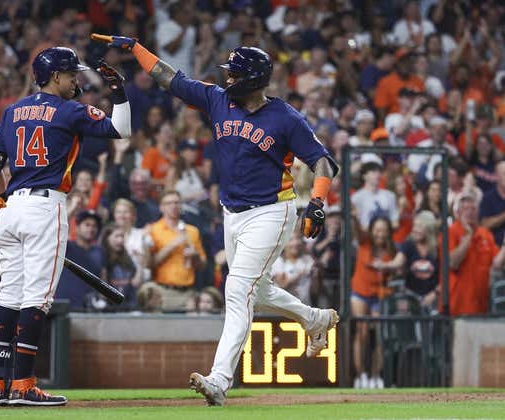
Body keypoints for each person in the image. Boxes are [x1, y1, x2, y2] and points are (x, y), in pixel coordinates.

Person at [93, 35, 339, 405]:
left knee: (237, 292)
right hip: (232, 212)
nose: (227, 79)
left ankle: (220, 380)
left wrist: (317, 202)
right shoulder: (217, 98)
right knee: (258, 289)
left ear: (252, 80)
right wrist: (137, 48)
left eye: (234, 74)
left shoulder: (285, 118)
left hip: (272, 211)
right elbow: (170, 79)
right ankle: (315, 318)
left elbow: (323, 161)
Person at [0, 47, 130, 406]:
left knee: (9, 298)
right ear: (56, 76)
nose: (76, 80)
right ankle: (24, 385)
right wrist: (119, 93)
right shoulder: (69, 110)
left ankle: (0, 386)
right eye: (71, 74)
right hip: (45, 207)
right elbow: (119, 131)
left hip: (11, 208)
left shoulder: (13, 110)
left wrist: (1, 201)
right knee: (36, 299)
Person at [351, 215, 396, 389]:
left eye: (383, 230)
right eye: (377, 230)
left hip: (379, 294)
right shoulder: (364, 243)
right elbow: (356, 230)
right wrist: (354, 215)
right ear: (372, 231)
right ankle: (360, 375)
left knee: (379, 335)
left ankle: (376, 375)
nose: (380, 234)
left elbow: (393, 274)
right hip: (360, 292)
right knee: (361, 332)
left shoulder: (391, 250)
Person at [146, 190, 207, 311]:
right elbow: (150, 264)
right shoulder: (153, 230)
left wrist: (195, 256)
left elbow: (203, 265)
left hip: (187, 291)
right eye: (169, 203)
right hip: (161, 290)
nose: (173, 206)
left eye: (177, 202)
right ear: (161, 207)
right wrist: (173, 244)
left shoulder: (192, 231)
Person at [371, 211, 439, 312]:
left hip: (434, 296)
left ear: (429, 229)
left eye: (420, 227)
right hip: (412, 296)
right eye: (414, 226)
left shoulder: (438, 247)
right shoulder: (409, 244)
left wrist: (434, 294)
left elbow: (445, 275)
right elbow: (398, 262)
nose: (415, 230)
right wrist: (384, 265)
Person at [446, 194, 500, 316]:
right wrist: (468, 235)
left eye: (473, 209)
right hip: (457, 306)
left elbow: (497, 263)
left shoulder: (485, 234)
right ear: (458, 213)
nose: (470, 212)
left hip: (482, 305)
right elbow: (453, 263)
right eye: (465, 209)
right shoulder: (450, 232)